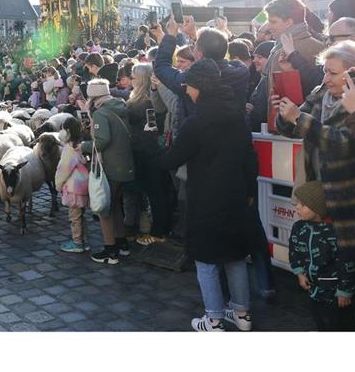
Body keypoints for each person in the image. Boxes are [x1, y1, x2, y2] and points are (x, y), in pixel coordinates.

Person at [156, 59, 256, 332]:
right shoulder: (236, 115)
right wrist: (249, 192)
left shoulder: (196, 123)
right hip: (236, 195)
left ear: (199, 86)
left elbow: (173, 158)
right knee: (235, 256)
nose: (186, 90)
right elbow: (249, 158)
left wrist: (157, 151)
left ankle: (213, 319)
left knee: (206, 259)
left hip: (206, 200)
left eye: (188, 85)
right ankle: (242, 313)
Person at [275, 40, 355, 263]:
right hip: (316, 191)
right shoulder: (321, 92)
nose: (325, 79)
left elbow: (344, 145)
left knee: (347, 264)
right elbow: (291, 129)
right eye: (324, 71)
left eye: (332, 73)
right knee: (320, 258)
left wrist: (298, 118)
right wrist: (284, 113)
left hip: (348, 198)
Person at [288, 180, 355, 331]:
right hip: (313, 291)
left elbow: (346, 263)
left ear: (318, 209)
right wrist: (299, 272)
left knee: (339, 326)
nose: (297, 206)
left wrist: (345, 291)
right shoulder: (298, 228)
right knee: (320, 322)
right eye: (297, 202)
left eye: (303, 204)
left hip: (335, 295)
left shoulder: (335, 232)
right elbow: (294, 252)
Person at [81, 79, 135, 265]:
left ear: (93, 96)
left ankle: (110, 250)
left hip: (110, 167)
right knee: (115, 206)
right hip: (125, 165)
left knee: (104, 208)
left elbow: (102, 141)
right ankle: (122, 244)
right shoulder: (120, 107)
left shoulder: (102, 113)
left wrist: (83, 146)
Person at [126, 63, 174, 245]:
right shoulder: (141, 99)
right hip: (143, 151)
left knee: (156, 193)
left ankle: (159, 231)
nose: (131, 78)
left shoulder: (147, 101)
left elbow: (150, 129)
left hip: (148, 152)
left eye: (134, 75)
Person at [263, 0, 325, 116]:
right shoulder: (319, 46)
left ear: (289, 22)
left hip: (289, 125)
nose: (268, 27)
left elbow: (278, 99)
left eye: (273, 21)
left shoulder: (283, 52)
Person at [55, 117, 90, 253]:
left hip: (73, 187)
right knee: (80, 215)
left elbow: (64, 169)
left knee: (74, 216)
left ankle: (77, 242)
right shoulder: (80, 145)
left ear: (67, 131)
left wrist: (58, 184)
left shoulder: (69, 149)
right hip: (82, 184)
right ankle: (83, 240)